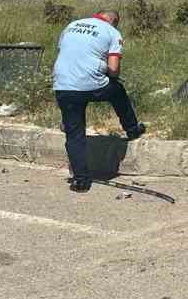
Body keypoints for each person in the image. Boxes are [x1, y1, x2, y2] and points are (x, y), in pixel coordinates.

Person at [51, 10, 145, 193]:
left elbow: (67, 53)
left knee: (74, 134)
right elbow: (114, 68)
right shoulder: (112, 33)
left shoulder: (71, 25)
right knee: (118, 91)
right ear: (114, 22)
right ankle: (132, 129)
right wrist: (109, 74)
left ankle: (80, 180)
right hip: (92, 85)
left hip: (63, 85)